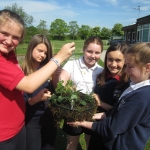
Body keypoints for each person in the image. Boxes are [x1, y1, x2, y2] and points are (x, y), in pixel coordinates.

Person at [0, 9, 75, 150]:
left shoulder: (10, 57)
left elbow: (55, 86)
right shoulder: (17, 65)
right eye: (4, 33)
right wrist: (58, 58)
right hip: (8, 132)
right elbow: (28, 86)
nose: (9, 41)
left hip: (19, 126)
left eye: (15, 37)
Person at [68, 42, 150, 150]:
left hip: (121, 144)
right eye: (109, 59)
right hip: (105, 135)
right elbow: (116, 112)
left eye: (129, 66)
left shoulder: (141, 97)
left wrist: (82, 122)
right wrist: (90, 116)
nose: (126, 70)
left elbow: (112, 127)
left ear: (147, 67)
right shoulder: (134, 86)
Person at [53, 36, 104, 150]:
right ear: (83, 49)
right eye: (89, 51)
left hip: (92, 112)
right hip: (73, 110)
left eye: (97, 52)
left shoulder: (101, 70)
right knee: (72, 143)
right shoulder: (72, 64)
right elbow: (60, 85)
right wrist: (57, 76)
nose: (93, 56)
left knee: (90, 142)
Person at [88, 43, 129, 150]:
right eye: (110, 59)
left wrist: (100, 103)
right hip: (98, 127)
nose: (113, 64)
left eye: (118, 60)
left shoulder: (127, 83)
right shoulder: (101, 78)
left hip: (114, 132)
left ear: (125, 61)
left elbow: (121, 112)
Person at [22, 34, 57, 150]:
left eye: (45, 53)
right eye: (40, 50)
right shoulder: (23, 71)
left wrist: (56, 75)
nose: (42, 55)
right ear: (31, 48)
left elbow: (56, 90)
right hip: (32, 119)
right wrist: (37, 98)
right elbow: (24, 103)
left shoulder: (47, 68)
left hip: (49, 116)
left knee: (48, 146)